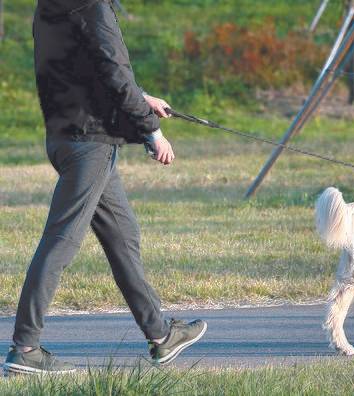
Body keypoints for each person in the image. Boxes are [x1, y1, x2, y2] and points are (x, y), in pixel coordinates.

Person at [3, 0, 206, 375]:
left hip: (65, 137)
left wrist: (141, 97)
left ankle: (161, 336)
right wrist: (151, 130)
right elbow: (114, 71)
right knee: (60, 241)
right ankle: (25, 347)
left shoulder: (51, 7)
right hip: (90, 144)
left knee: (122, 233)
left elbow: (86, 68)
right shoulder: (94, 7)